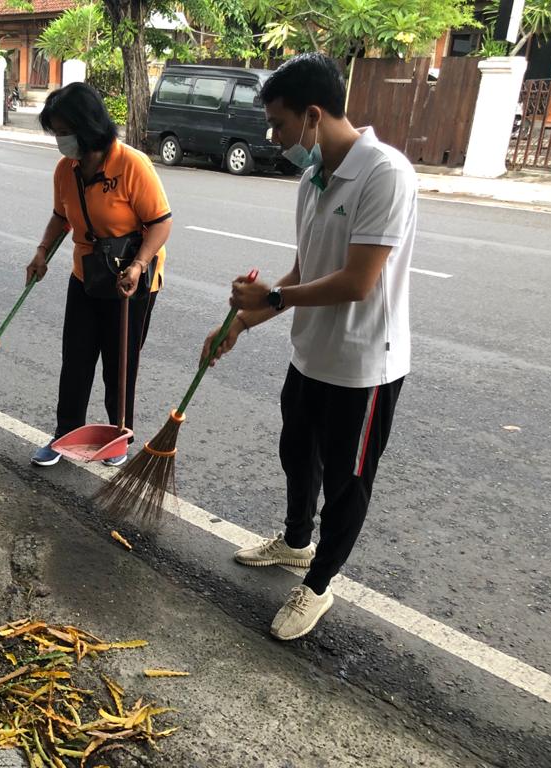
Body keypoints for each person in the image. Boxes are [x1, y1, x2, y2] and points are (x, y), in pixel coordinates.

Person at [207, 53, 417, 641]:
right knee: (297, 454)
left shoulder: (385, 174)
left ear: (313, 115)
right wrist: (240, 323)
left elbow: (357, 282)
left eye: (279, 124)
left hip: (363, 364)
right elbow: (305, 270)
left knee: (347, 483)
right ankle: (296, 543)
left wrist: (272, 299)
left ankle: (319, 585)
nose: (273, 137)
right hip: (310, 354)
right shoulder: (313, 176)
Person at [27, 83, 172, 468]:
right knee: (75, 358)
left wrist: (138, 265)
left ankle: (118, 435)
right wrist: (41, 252)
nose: (60, 141)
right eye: (56, 133)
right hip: (87, 275)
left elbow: (161, 223)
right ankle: (64, 434)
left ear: (87, 127)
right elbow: (60, 216)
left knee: (119, 362)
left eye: (64, 132)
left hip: (131, 281)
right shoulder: (66, 170)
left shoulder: (132, 164)